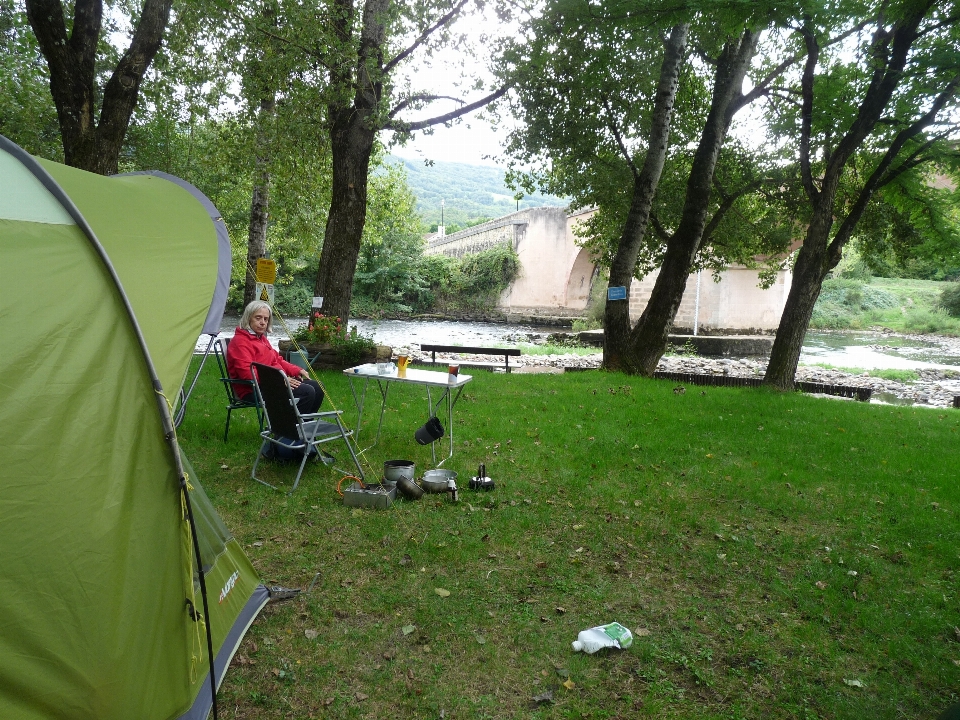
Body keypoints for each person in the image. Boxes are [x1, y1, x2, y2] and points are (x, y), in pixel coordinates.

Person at [227, 300, 324, 414]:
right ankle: (289, 428)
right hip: (253, 390)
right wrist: (280, 380)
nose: (263, 322)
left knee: (318, 387)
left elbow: (277, 360)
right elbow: (248, 374)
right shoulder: (240, 342)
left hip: (273, 384)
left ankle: (305, 426)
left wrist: (296, 370)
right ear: (248, 318)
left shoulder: (261, 339)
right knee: (307, 392)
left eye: (266, 319)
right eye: (258, 318)